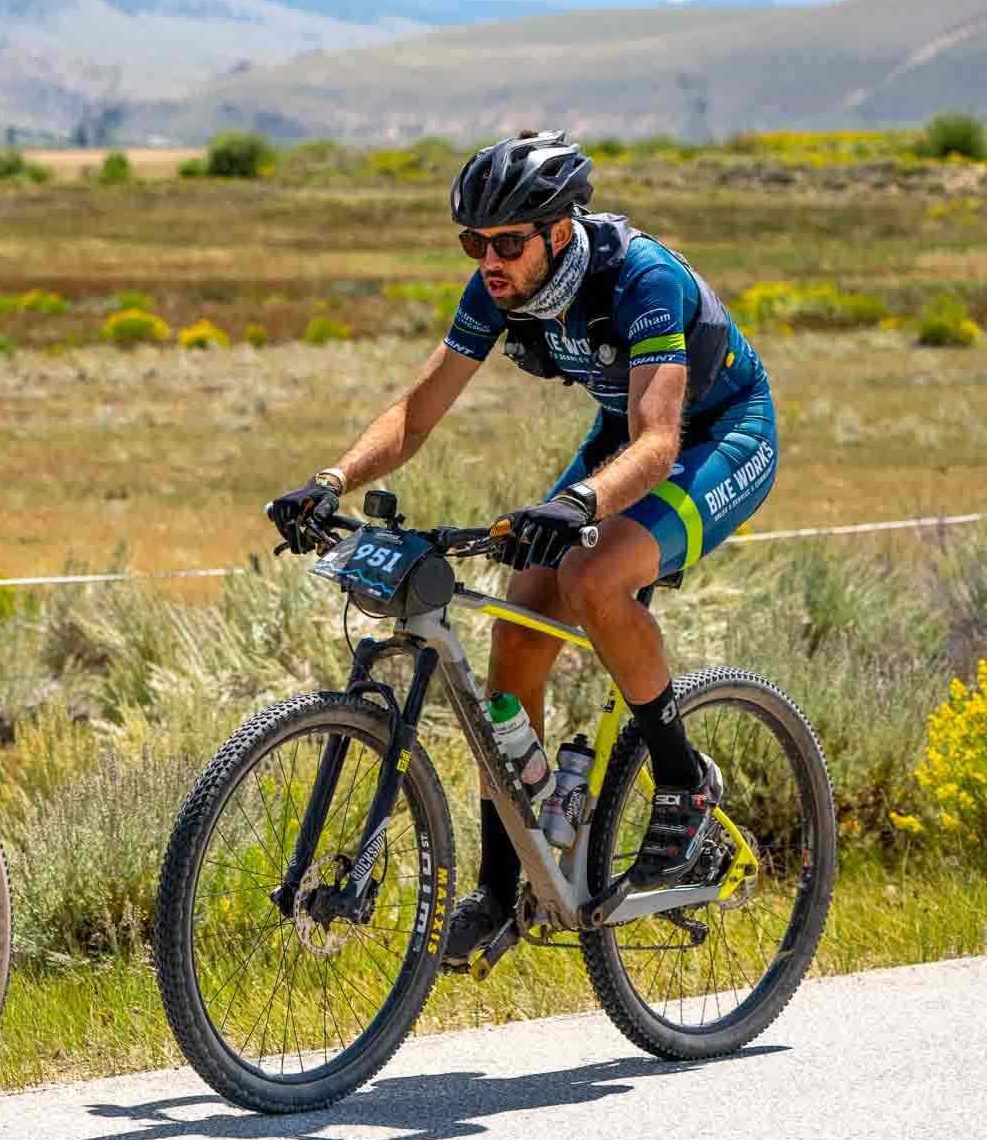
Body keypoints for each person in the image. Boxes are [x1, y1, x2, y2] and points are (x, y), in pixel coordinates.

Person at [267, 130, 777, 963]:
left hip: (719, 434)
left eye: (507, 242)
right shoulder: (496, 290)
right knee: (516, 636)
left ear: (561, 230)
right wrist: (331, 479)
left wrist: (576, 502)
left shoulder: (642, 278)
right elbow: (416, 412)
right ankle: (502, 890)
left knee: (594, 573)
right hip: (626, 435)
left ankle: (684, 782)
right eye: (475, 243)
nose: (489, 259)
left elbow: (655, 441)